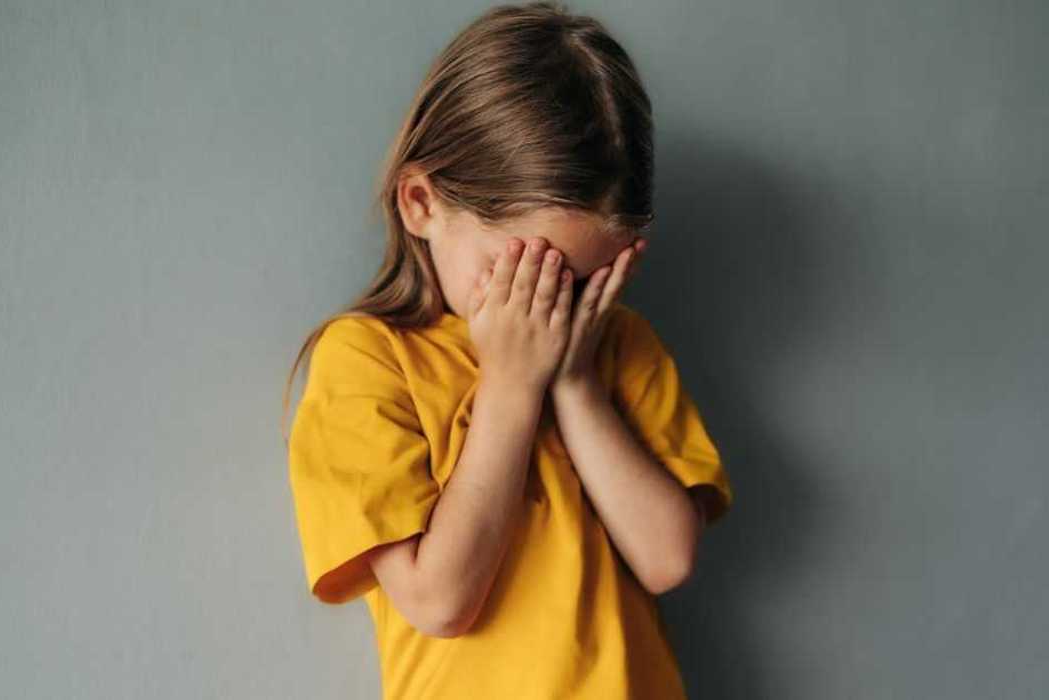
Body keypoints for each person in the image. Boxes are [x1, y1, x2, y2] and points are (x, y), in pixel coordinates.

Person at [280, 3, 734, 697]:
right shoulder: (366, 360)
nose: (556, 304)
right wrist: (514, 384)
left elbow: (667, 559)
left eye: (583, 281)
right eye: (530, 272)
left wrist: (575, 383)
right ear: (421, 204)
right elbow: (438, 601)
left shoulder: (615, 342)